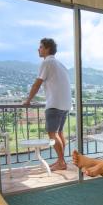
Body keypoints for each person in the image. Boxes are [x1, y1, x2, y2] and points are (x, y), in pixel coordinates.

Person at [23, 38, 72, 171]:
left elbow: (37, 83)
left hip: (54, 104)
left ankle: (61, 162)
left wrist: (28, 100)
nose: (38, 49)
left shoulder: (47, 62)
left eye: (40, 47)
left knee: (52, 134)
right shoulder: (60, 64)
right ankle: (61, 161)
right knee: (60, 132)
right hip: (65, 104)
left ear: (47, 49)